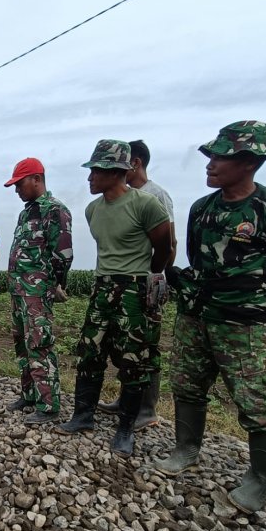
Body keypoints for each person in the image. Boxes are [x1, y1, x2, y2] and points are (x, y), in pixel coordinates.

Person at [156, 121, 266, 513]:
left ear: (249, 162)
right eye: (210, 156)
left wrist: (253, 292)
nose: (210, 164)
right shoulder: (202, 208)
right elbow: (197, 257)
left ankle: (260, 479)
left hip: (245, 323)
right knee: (187, 384)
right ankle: (186, 449)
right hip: (196, 315)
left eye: (220, 158)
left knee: (257, 399)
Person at [55, 140, 172, 459]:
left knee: (134, 360)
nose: (90, 177)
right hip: (102, 286)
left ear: (116, 172)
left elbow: (164, 246)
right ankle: (83, 415)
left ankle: (125, 429)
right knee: (90, 351)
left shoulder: (146, 204)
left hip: (134, 288)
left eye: (96, 171)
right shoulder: (92, 210)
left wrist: (148, 276)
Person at [98, 140, 177, 429]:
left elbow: (169, 244)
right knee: (125, 343)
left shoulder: (155, 195)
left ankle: (147, 409)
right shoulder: (122, 197)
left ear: (136, 163)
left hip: (146, 282)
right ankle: (126, 400)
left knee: (145, 345)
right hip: (122, 284)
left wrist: (153, 276)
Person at [4, 157, 73, 424]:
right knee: (22, 345)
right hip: (19, 291)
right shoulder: (26, 213)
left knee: (39, 345)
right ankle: (29, 395)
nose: (16, 190)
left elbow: (63, 254)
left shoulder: (55, 210)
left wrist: (54, 285)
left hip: (37, 293)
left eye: (19, 184)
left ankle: (49, 406)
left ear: (36, 179)